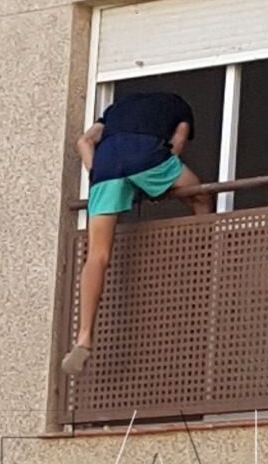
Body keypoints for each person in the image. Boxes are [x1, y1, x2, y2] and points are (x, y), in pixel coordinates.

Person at [61, 89, 212, 376]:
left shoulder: (113, 113)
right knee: (201, 195)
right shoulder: (179, 107)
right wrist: (157, 181)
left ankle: (84, 337)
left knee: (97, 256)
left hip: (105, 167)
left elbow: (83, 142)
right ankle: (206, 254)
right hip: (146, 157)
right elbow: (178, 144)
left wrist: (98, 173)